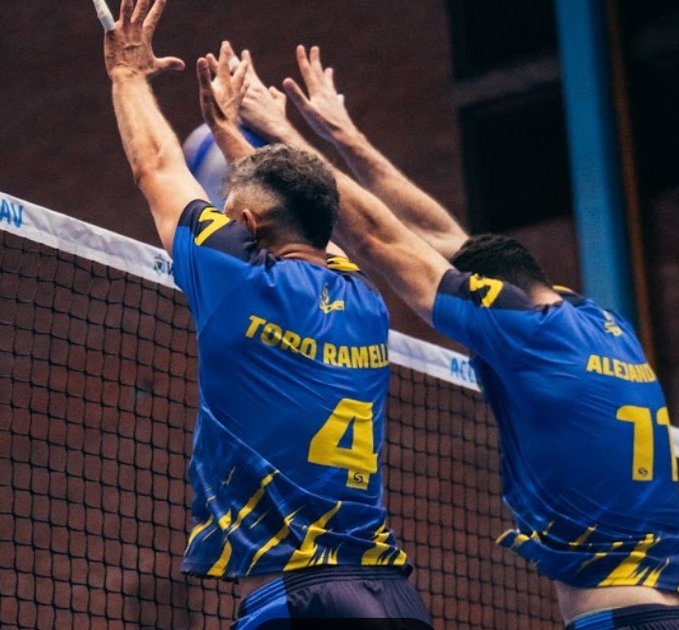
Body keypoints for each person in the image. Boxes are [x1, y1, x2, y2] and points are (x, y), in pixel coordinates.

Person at [230, 44, 679, 630]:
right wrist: (347, 136)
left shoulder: (521, 333)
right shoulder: (601, 323)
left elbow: (379, 239)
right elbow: (443, 238)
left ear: (493, 297)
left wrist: (281, 138)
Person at [102, 2, 432, 628]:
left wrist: (127, 74)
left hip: (298, 600)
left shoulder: (239, 278)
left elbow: (157, 168)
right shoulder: (364, 299)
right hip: (395, 600)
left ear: (249, 226)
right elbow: (305, 212)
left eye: (230, 213)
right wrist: (232, 134)